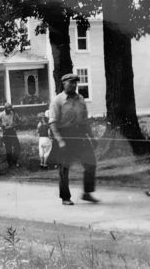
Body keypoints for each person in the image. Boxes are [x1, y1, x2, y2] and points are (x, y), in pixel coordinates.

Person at [49, 73, 99, 205]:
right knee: (64, 168)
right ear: (63, 84)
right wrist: (60, 140)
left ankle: (87, 193)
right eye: (70, 82)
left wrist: (92, 137)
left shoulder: (81, 99)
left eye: (75, 82)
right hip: (65, 135)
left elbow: (85, 121)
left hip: (81, 135)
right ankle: (65, 197)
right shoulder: (57, 100)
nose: (73, 85)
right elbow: (53, 123)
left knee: (90, 163)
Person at [0, 102, 21, 168]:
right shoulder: (2, 114)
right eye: (9, 108)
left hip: (12, 131)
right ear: (5, 108)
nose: (10, 109)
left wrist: (14, 112)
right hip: (6, 132)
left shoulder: (13, 113)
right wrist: (2, 125)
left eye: (11, 108)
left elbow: (18, 120)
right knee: (8, 148)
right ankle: (10, 163)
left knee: (17, 147)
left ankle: (15, 161)